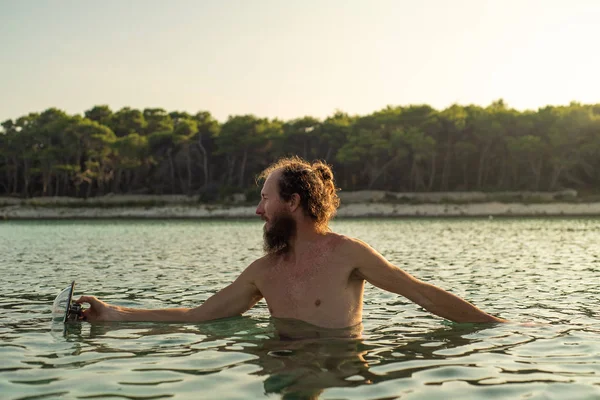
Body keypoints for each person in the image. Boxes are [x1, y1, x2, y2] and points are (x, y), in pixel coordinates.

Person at [77, 156, 505, 327]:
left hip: (341, 372)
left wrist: (497, 328)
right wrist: (115, 314)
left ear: (293, 202)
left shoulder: (348, 254)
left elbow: (421, 294)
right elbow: (200, 315)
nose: (257, 211)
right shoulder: (263, 272)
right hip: (279, 366)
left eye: (265, 199)